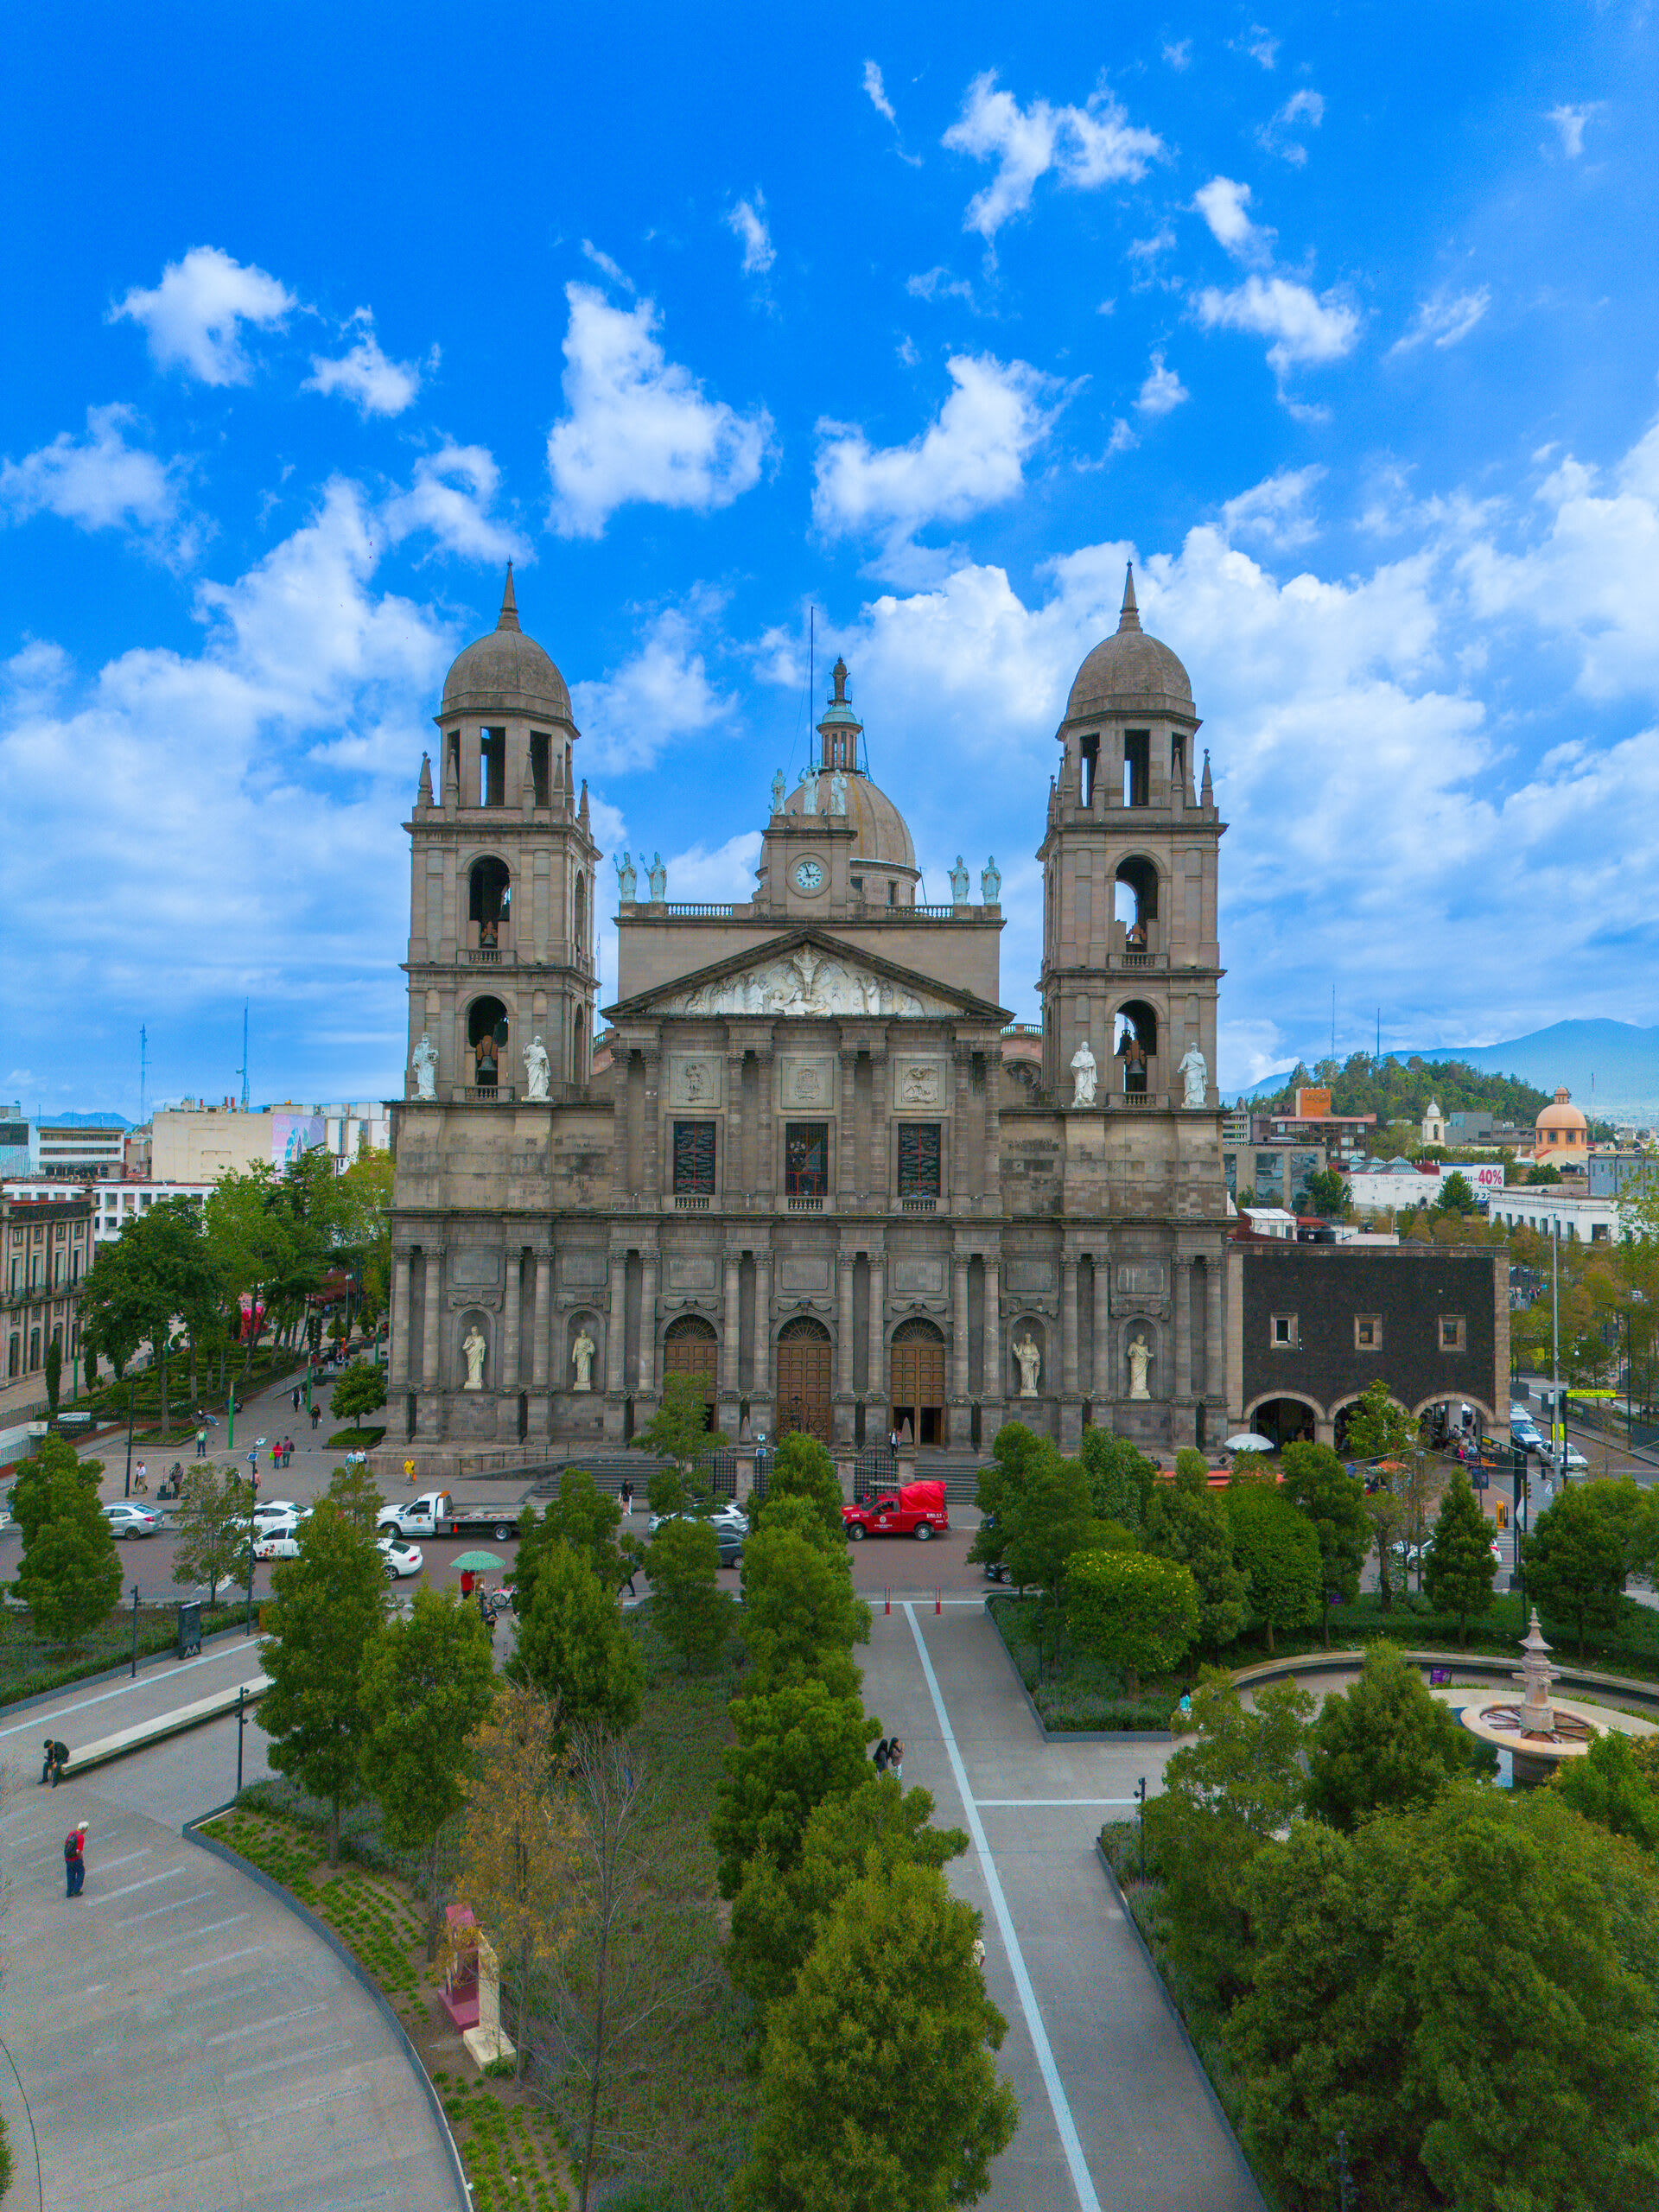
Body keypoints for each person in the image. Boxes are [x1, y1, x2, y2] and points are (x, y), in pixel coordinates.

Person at [65, 1821, 87, 1897]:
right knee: (81, 1872)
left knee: (70, 1874)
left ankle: (69, 1891)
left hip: (68, 1859)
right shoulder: (80, 1837)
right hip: (75, 1859)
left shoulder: (72, 1833)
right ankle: (76, 1890)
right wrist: (81, 1858)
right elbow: (78, 1851)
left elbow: (66, 1844)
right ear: (83, 1829)